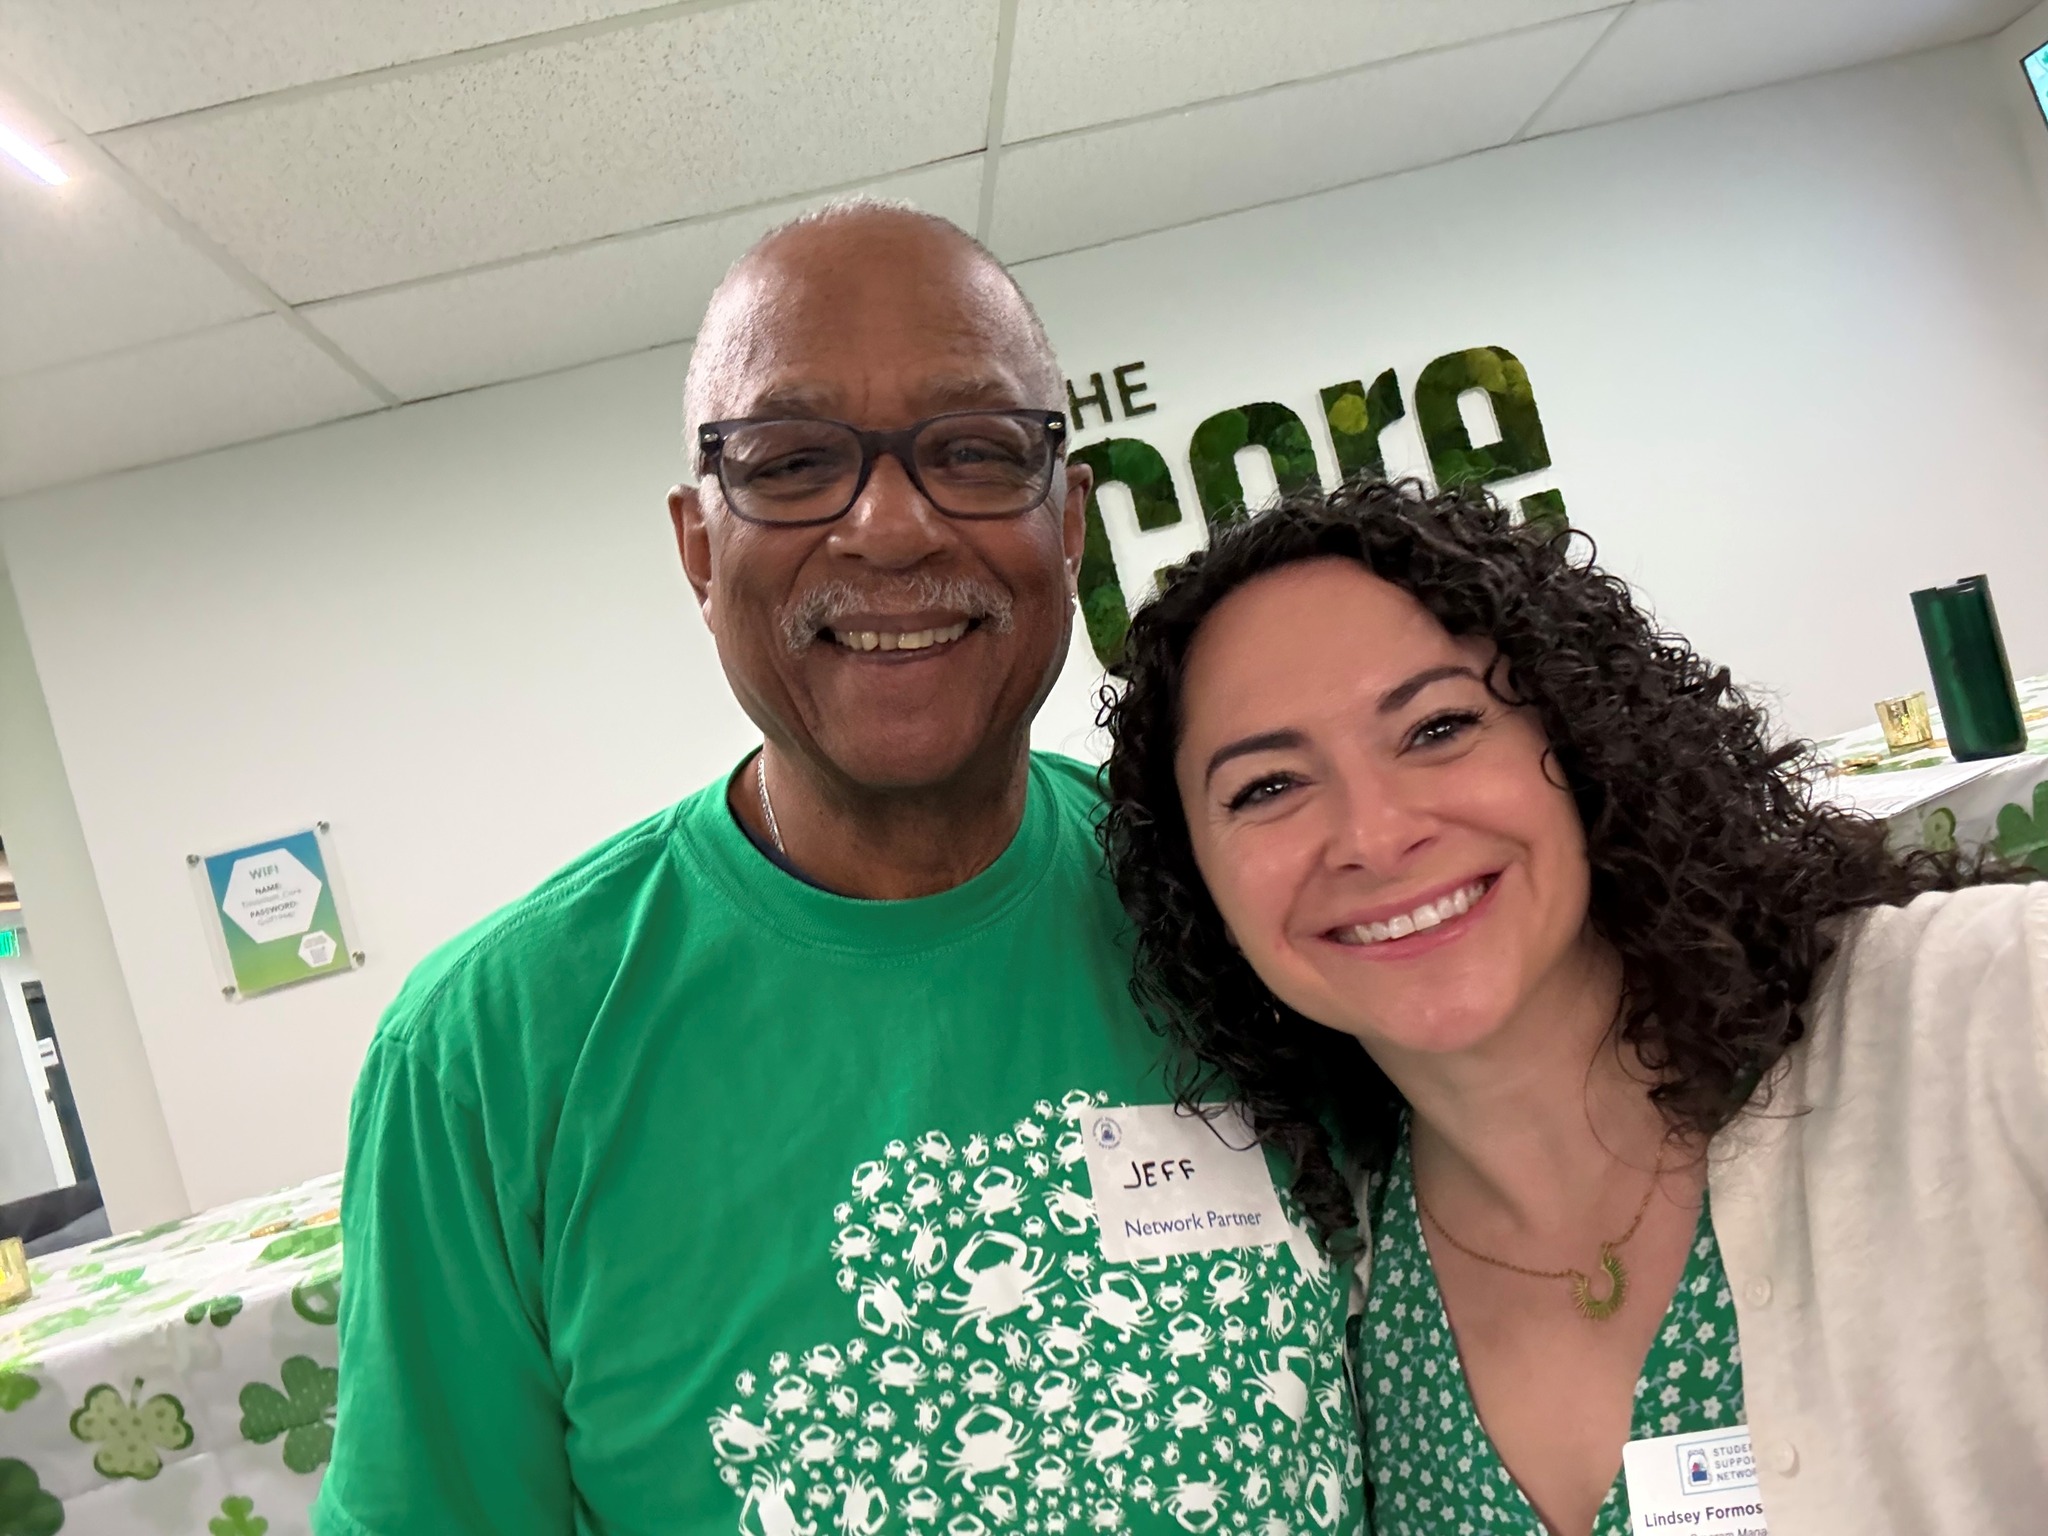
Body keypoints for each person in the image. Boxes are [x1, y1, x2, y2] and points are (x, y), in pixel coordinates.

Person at [313, 203, 1363, 1536]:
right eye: (794, 462)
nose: (889, 527)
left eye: (972, 450)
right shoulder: (491, 1054)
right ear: (699, 549)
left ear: (1068, 524)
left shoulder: (1240, 900)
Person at [1097, 476, 2048, 1536]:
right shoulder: (1328, 1288)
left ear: (1584, 744)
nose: (1373, 834)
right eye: (1267, 787)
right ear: (1198, 886)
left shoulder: (1981, 1017)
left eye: (1438, 727)